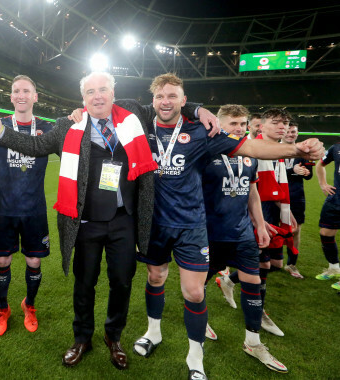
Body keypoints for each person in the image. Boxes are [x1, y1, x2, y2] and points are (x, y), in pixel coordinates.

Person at [0, 71, 211, 371]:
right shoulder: (70, 125)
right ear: (83, 98)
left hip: (123, 220)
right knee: (85, 282)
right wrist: (1, 133)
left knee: (121, 282)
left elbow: (168, 103)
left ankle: (113, 337)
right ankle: (82, 338)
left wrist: (198, 109)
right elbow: (37, 147)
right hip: (87, 221)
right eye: (90, 92)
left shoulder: (133, 115)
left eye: (103, 89)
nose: (97, 96)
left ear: (113, 92)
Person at [129, 75, 322, 380]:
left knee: (193, 292)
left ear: (183, 99)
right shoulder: (139, 124)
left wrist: (296, 150)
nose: (165, 101)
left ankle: (195, 357)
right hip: (153, 223)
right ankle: (153, 333)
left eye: (173, 96)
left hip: (191, 225)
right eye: (159, 96)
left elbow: (253, 149)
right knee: (155, 276)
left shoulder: (202, 131)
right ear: (151, 100)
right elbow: (108, 107)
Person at [202, 104, 287, 373]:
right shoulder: (206, 151)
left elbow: (252, 193)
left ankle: (253, 341)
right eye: (233, 124)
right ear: (220, 123)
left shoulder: (249, 156)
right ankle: (199, 319)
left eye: (243, 124)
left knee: (253, 280)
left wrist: (260, 225)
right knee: (198, 284)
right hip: (209, 233)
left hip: (241, 233)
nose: (239, 129)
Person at [0, 75, 53, 336]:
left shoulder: (48, 128)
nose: (21, 95)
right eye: (16, 91)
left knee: (34, 261)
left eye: (27, 90)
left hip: (34, 209)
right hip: (3, 208)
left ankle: (30, 304)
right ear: (11, 96)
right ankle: (3, 309)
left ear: (35, 97)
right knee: (3, 259)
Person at [283, 121, 314, 278]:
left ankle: (291, 264)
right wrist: (292, 170)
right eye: (288, 132)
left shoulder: (304, 152)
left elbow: (309, 175)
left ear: (297, 132)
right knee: (271, 229)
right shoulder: (273, 150)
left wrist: (306, 172)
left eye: (293, 132)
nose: (290, 134)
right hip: (275, 196)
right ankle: (267, 260)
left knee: (296, 231)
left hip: (296, 196)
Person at [315, 142, 340, 290]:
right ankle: (334, 267)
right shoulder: (336, 148)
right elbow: (320, 165)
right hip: (335, 199)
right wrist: (323, 183)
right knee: (325, 233)